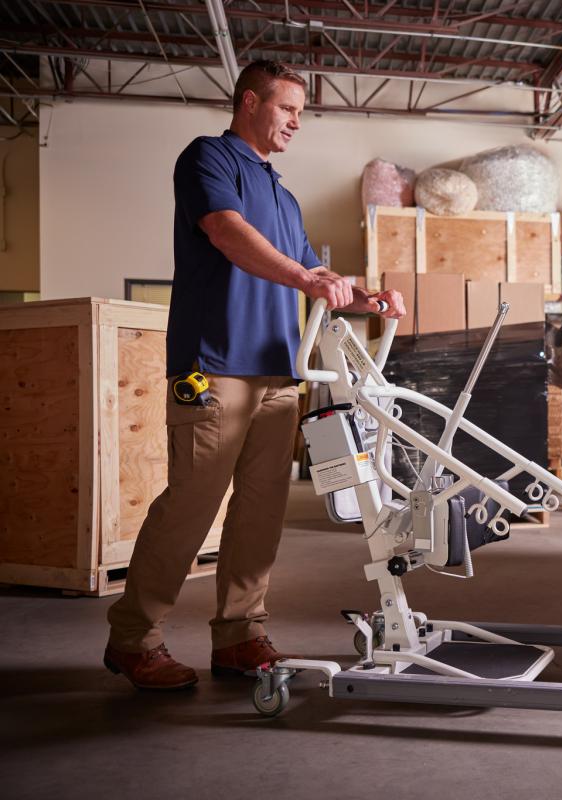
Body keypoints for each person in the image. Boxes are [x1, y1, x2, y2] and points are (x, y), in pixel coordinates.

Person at [103, 60, 406, 690]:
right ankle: (134, 639)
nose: (297, 122)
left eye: (301, 113)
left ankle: (240, 634)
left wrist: (370, 297)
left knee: (261, 510)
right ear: (250, 103)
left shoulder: (284, 194)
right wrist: (307, 278)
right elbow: (227, 232)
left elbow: (311, 275)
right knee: (192, 503)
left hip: (276, 370)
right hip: (215, 365)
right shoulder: (209, 159)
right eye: (288, 108)